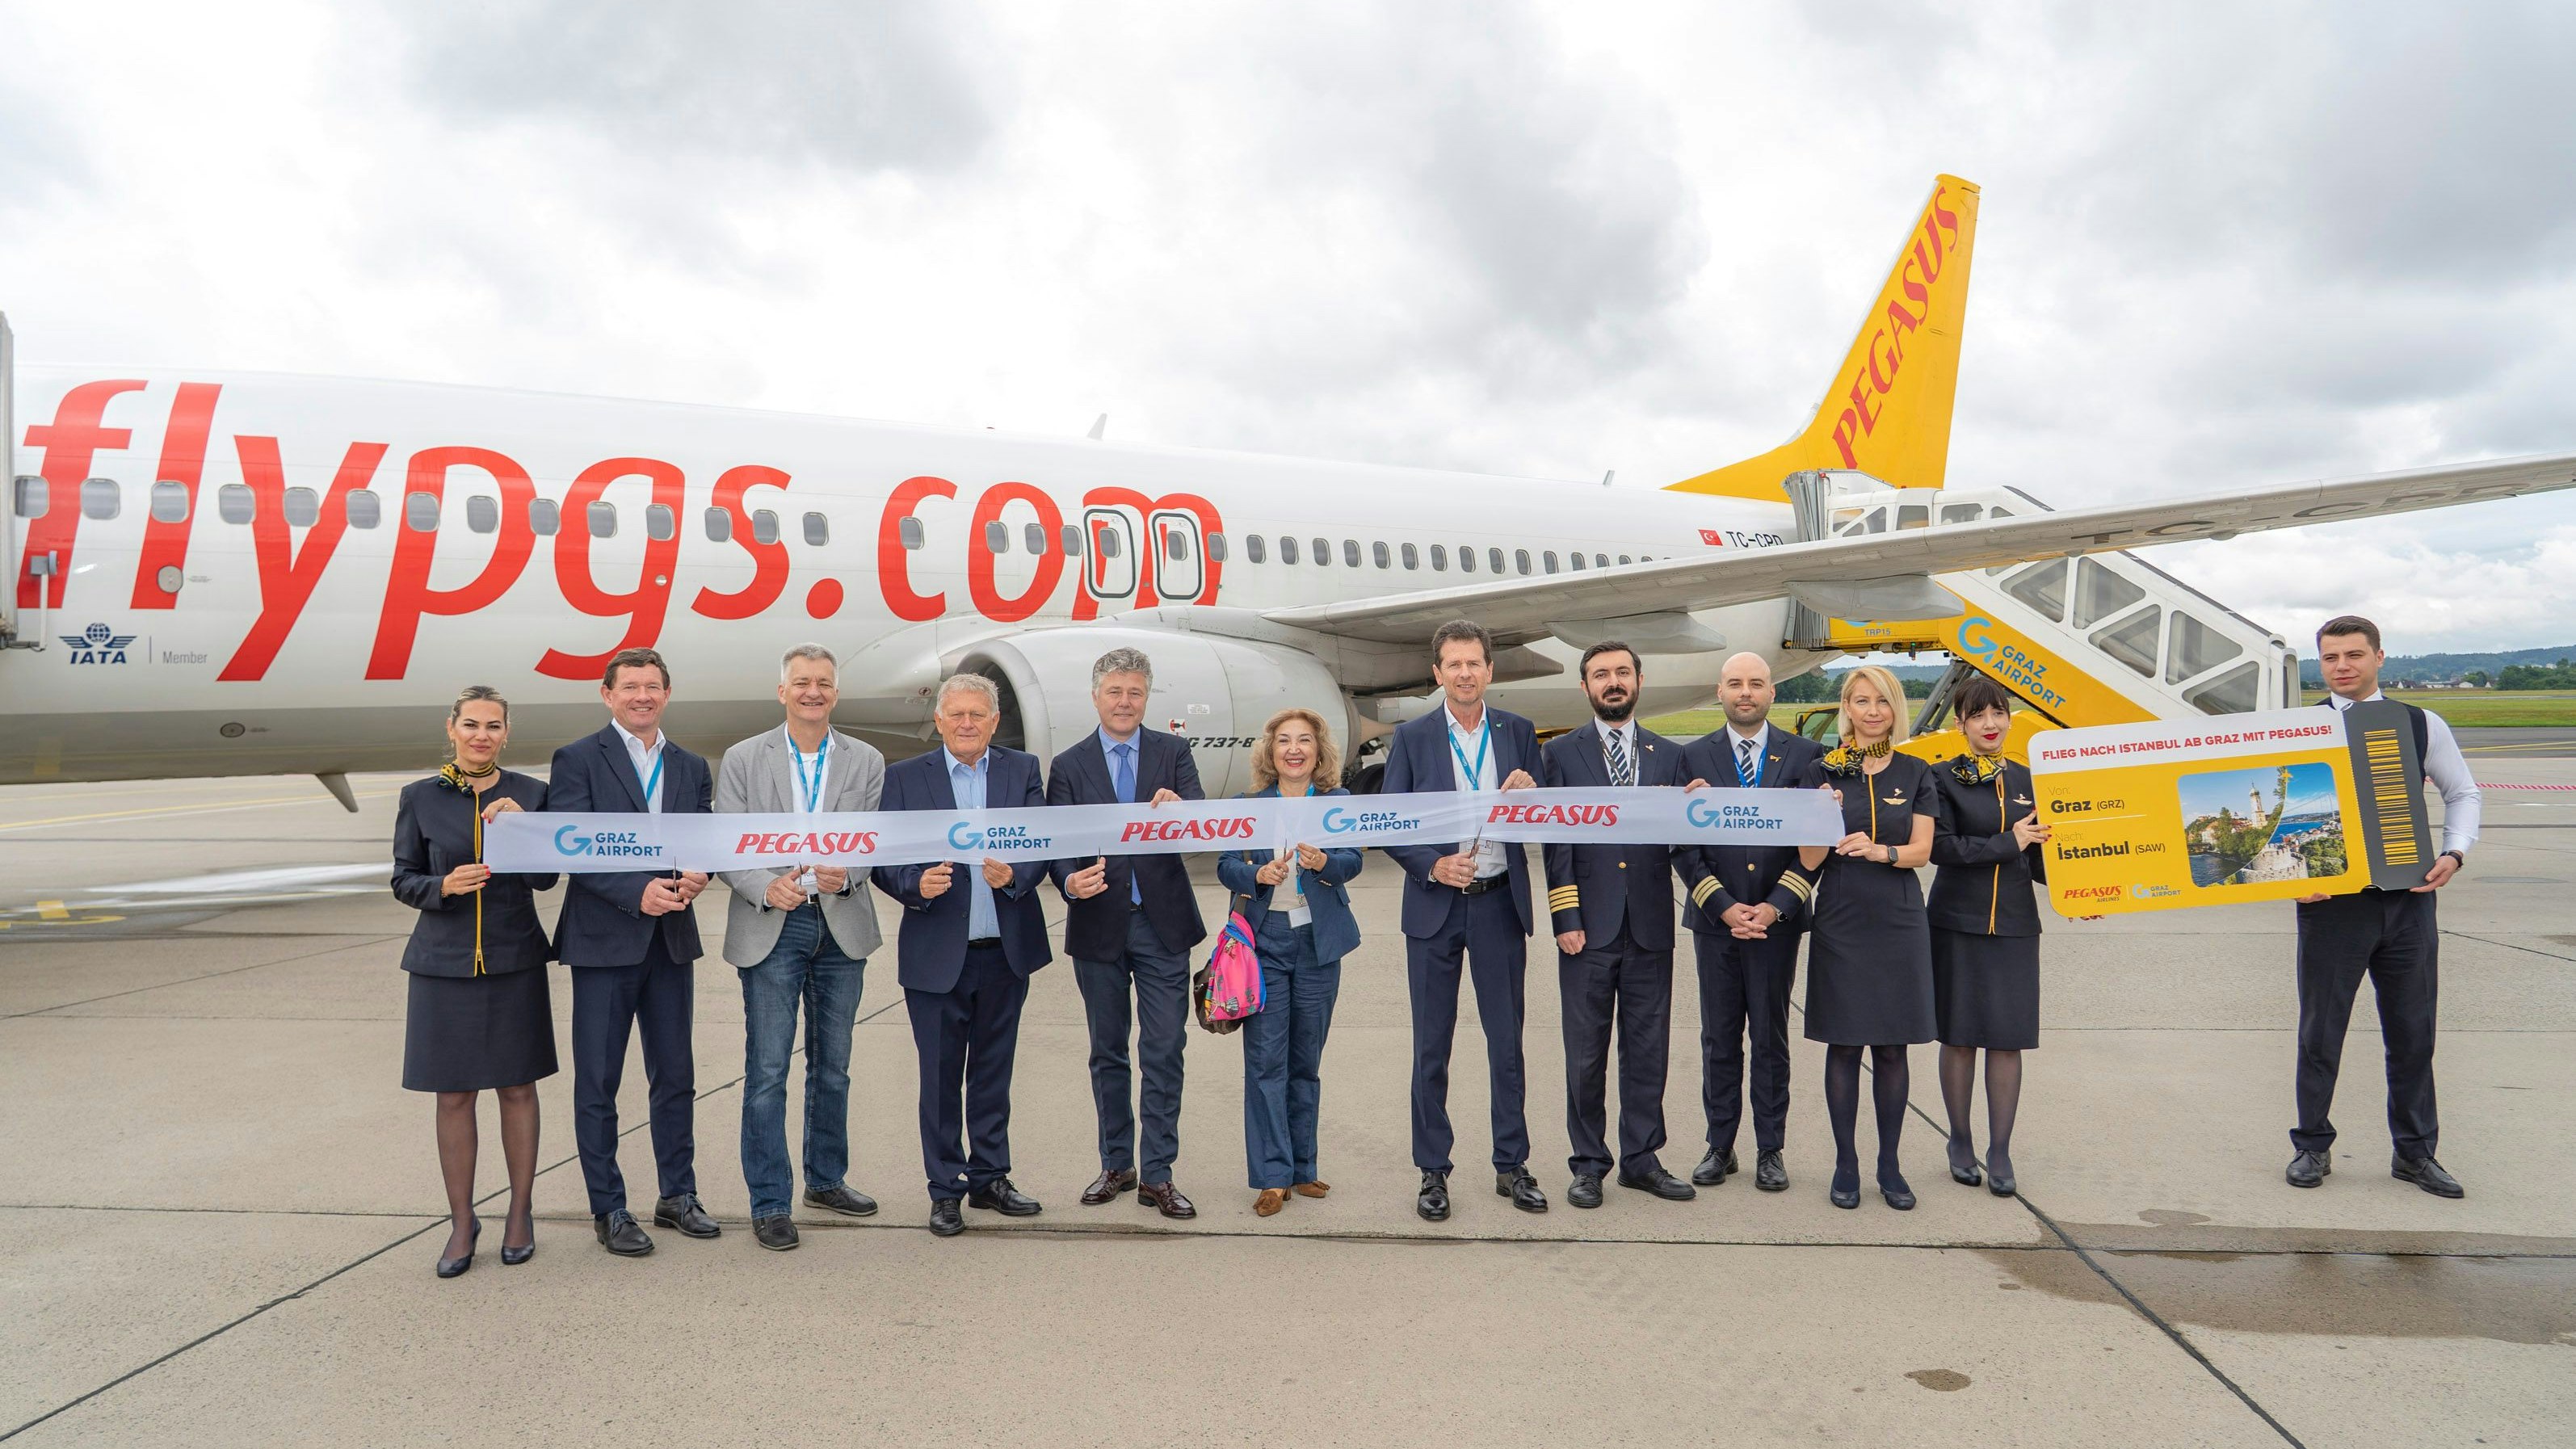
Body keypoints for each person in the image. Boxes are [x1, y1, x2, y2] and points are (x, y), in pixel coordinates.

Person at [2287, 615, 2480, 1198]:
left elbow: (2462, 791)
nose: (2340, 666)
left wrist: (2455, 851)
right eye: (2328, 658)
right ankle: (2310, 1148)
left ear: (2378, 657)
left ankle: (2415, 1154)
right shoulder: (2298, 728)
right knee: (2320, 1034)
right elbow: (2277, 810)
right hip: (2331, 907)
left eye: (2352, 654)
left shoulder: (2419, 723)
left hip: (2407, 903)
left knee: (2413, 1032)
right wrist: (2286, 880)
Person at [714, 644, 888, 1252]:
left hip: (841, 923)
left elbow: (870, 836)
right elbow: (728, 843)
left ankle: (826, 1179)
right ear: (782, 691)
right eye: (801, 682)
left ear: (835, 694)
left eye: (824, 683)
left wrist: (853, 871)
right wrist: (767, 886)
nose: (813, 692)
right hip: (772, 925)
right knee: (766, 1071)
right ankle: (769, 1201)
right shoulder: (742, 758)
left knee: (832, 1068)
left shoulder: (865, 759)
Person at [548, 646, 717, 1258]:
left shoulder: (691, 764)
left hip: (671, 940)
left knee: (675, 1076)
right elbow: (570, 846)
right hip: (604, 941)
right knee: (599, 1081)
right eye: (630, 687)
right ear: (607, 694)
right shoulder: (576, 760)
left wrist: (700, 873)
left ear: (666, 694)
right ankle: (609, 1208)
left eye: (652, 686)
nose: (641, 696)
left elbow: (703, 834)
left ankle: (678, 1195)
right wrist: (634, 892)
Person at [874, 674, 1054, 1238]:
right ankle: (945, 1189)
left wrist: (1015, 877)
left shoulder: (1021, 771)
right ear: (940, 720)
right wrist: (912, 884)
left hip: (1005, 950)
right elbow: (882, 856)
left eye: (978, 714)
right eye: (957, 715)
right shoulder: (904, 778)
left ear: (995, 721)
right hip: (935, 953)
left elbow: (1042, 845)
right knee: (939, 1076)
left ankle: (990, 1178)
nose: (967, 723)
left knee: (993, 1073)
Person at [1380, 619, 1548, 1221]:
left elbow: (1545, 824)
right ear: (1438, 673)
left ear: (1489, 670)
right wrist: (1431, 866)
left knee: (1506, 1045)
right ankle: (1433, 1170)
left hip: (1500, 904)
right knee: (1432, 1048)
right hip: (1435, 909)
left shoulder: (1519, 733)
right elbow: (1392, 824)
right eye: (1453, 664)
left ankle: (1512, 1165)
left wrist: (1533, 794)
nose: (1465, 673)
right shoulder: (1415, 737)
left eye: (1474, 663)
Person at [389, 686, 555, 1278]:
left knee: (517, 1088)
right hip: (442, 965)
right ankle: (462, 1221)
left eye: (492, 726)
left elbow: (545, 881)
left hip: (514, 961)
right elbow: (403, 878)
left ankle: (520, 1212)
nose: (480, 735)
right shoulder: (420, 797)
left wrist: (527, 829)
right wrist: (442, 888)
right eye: (470, 724)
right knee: (454, 1095)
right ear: (451, 728)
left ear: (506, 734)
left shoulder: (532, 794)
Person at [1048, 648, 1208, 1220]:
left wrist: (1182, 812)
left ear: (1146, 698)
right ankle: (1117, 1164)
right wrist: (1070, 882)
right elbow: (1056, 848)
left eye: (1134, 693)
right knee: (1107, 1051)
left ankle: (1158, 1175)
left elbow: (1201, 828)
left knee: (1164, 1048)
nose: (1124, 702)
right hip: (1097, 927)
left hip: (1162, 925)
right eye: (1114, 692)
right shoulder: (1068, 765)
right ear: (1095, 697)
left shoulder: (1173, 752)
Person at [1540, 643, 1696, 1207]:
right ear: (1584, 687)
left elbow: (1683, 841)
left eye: (1621, 673)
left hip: (1650, 927)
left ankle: (1641, 1159)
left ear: (1638, 680)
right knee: (1584, 1054)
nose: (1612, 682)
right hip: (1586, 928)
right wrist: (1564, 913)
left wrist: (1696, 808)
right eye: (1600, 675)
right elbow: (1555, 840)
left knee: (1647, 1049)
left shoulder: (1671, 756)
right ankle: (1587, 1164)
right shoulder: (1559, 754)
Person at [1675, 651, 1823, 1193]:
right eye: (1735, 684)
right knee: (1718, 1038)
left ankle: (1769, 1148)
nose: (1745, 692)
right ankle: (1719, 1145)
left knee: (1769, 1036)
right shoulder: (1690, 757)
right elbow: (1681, 844)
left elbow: (1817, 844)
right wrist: (1722, 905)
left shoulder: (1808, 756)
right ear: (1719, 692)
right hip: (1716, 923)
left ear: (1771, 693)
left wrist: (1775, 906)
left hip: (1775, 923)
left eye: (1755, 684)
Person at [1792, 665, 1938, 1212]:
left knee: (1893, 1047)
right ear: (1845, 709)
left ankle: (1890, 1165)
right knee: (1844, 1043)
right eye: (1860, 700)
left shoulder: (1917, 771)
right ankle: (1846, 1163)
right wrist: (1817, 816)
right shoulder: (1820, 772)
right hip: (1842, 918)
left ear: (1893, 707)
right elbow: (1808, 862)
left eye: (1881, 700)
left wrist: (1882, 851)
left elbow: (1922, 851)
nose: (1872, 710)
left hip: (1899, 919)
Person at [1216, 708, 1364, 1216]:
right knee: (1265, 1062)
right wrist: (1257, 875)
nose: (1294, 749)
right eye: (1284, 741)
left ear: (1319, 751)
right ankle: (1272, 1176)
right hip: (1264, 943)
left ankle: (1304, 1169)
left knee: (1306, 1061)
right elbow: (1225, 865)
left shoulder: (1338, 802)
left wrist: (1325, 864)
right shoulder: (1248, 805)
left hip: (1319, 943)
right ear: (1270, 750)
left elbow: (1354, 860)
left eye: (1305, 740)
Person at [1927, 672, 2050, 1198]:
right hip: (1956, 922)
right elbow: (1943, 849)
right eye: (1977, 715)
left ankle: (1999, 1150)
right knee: (1958, 1038)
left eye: (1997, 712)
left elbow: (2043, 858)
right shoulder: (1940, 778)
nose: (1989, 723)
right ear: (1960, 725)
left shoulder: (2031, 780)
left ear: (2008, 718)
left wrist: (2086, 893)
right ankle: (1959, 1140)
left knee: (2006, 1040)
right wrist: (2009, 841)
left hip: (2016, 927)